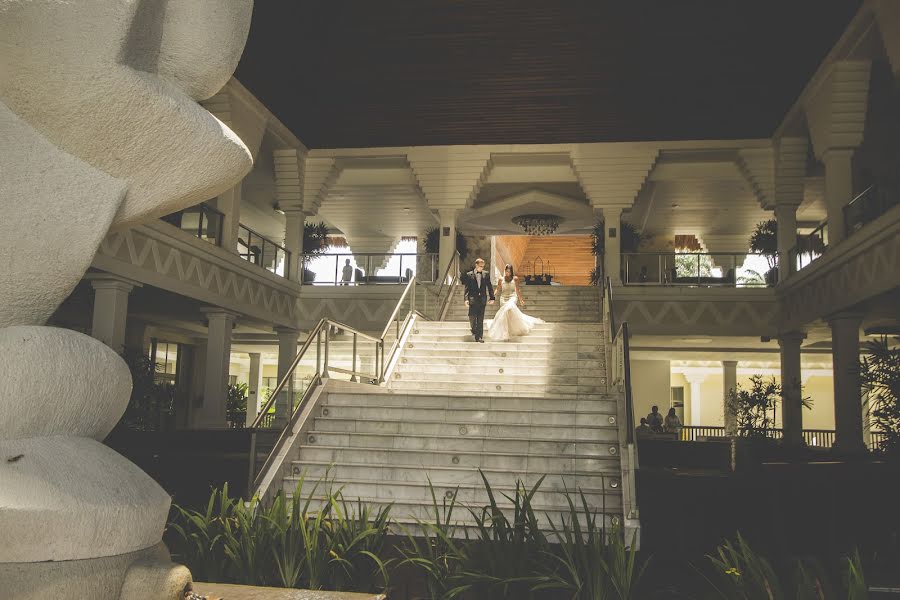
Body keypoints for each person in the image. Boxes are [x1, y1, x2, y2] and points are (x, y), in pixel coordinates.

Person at [486, 264, 544, 341]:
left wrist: (520, 299)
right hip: (503, 298)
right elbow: (498, 289)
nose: (507, 273)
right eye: (506, 271)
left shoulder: (515, 279)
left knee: (510, 307)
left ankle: (518, 328)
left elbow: (517, 289)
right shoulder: (501, 279)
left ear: (511, 272)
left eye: (509, 271)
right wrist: (492, 296)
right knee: (506, 314)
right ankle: (508, 330)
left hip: (512, 297)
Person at [463, 257, 495, 342]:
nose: (482, 268)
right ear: (476, 265)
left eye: (483, 266)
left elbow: (489, 286)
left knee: (480, 318)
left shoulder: (486, 274)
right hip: (473, 299)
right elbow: (467, 288)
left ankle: (479, 336)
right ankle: (474, 329)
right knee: (472, 316)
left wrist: (492, 297)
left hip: (482, 299)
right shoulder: (469, 275)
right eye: (481, 266)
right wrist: (466, 299)